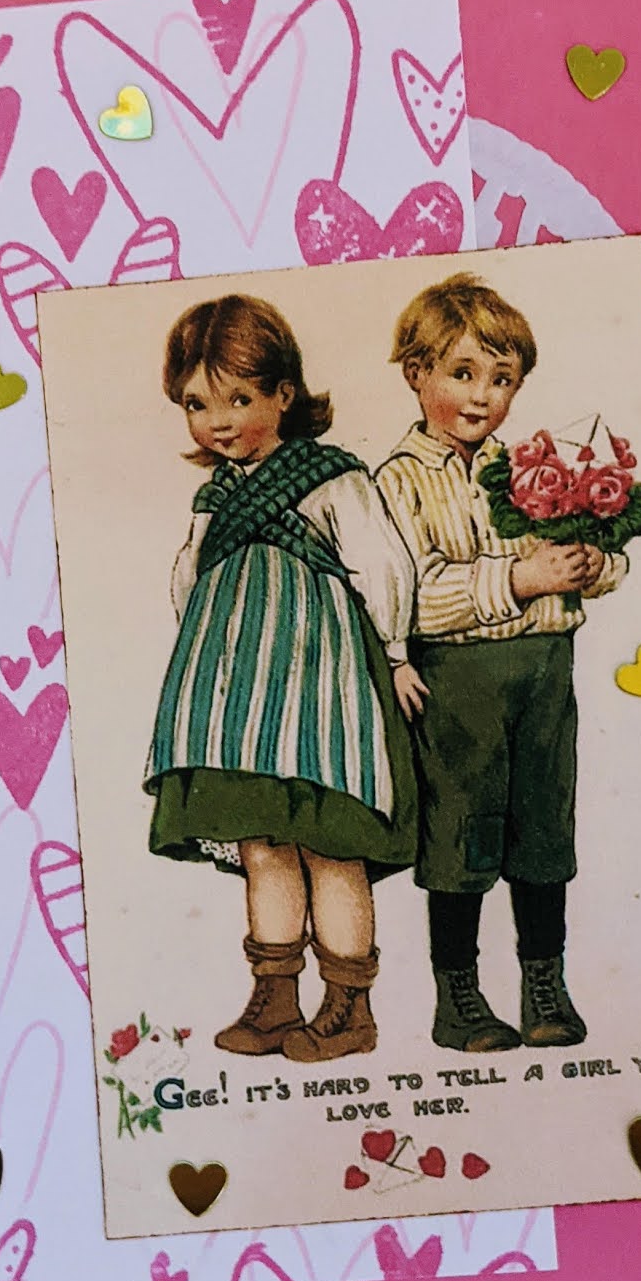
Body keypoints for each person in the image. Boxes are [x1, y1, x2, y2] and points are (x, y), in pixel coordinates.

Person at [147, 293, 417, 1064]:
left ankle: (348, 1007)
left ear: (284, 394)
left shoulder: (331, 478)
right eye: (197, 404)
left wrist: (396, 653)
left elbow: (380, 565)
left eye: (239, 399)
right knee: (261, 847)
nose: (218, 421)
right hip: (236, 701)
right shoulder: (214, 497)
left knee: (330, 845)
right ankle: (274, 998)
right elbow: (190, 582)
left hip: (321, 688)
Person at [375, 272, 624, 1053]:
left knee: (543, 832)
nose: (482, 395)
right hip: (458, 682)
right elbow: (409, 598)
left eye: (502, 379)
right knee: (462, 836)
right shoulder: (396, 482)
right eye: (462, 373)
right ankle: (458, 998)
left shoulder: (526, 467)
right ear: (416, 373)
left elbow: (595, 550)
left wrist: (591, 562)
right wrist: (519, 579)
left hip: (546, 671)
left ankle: (544, 986)